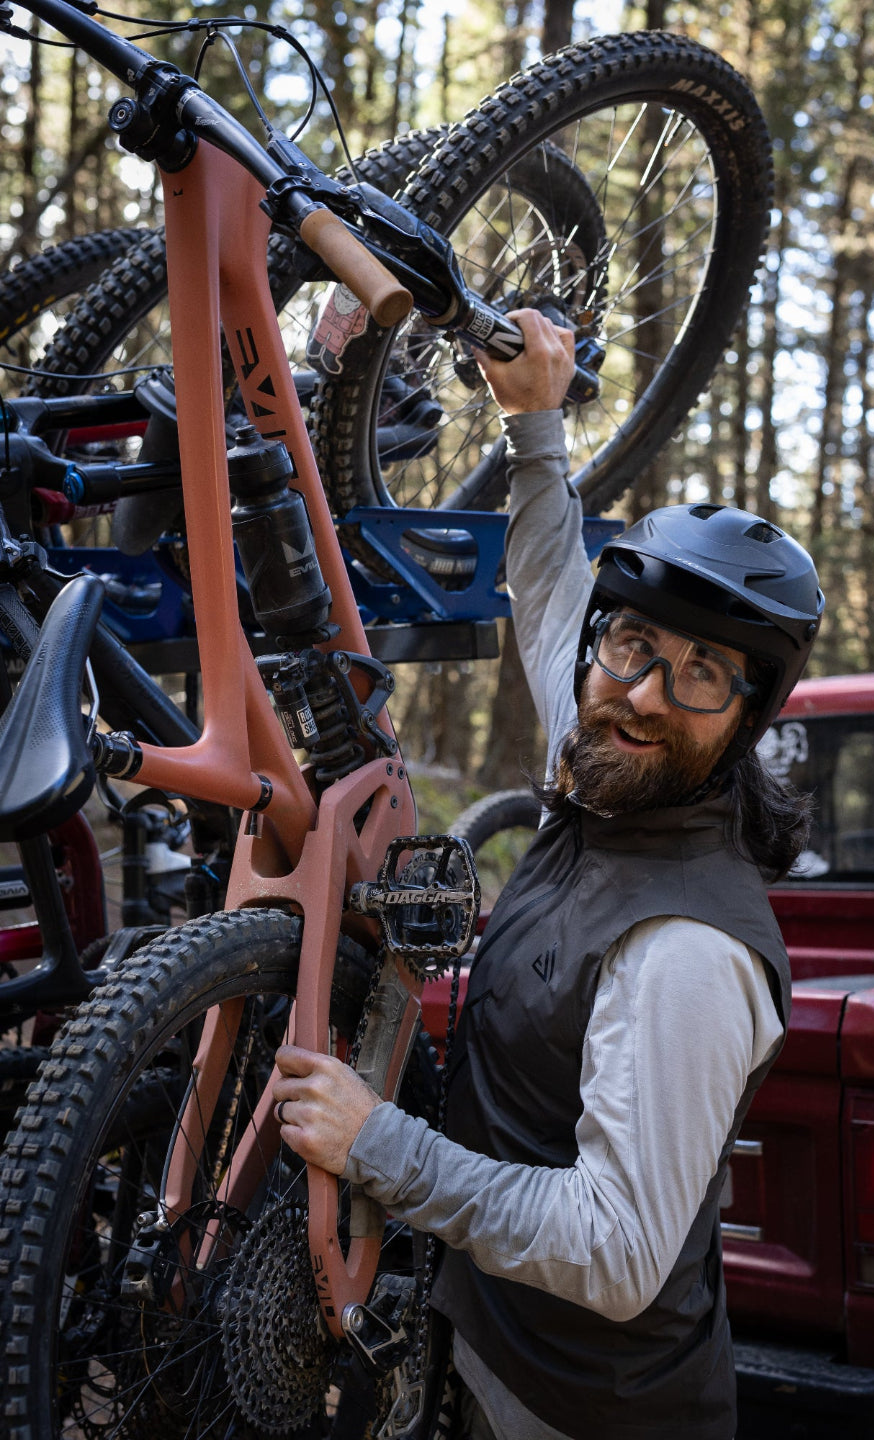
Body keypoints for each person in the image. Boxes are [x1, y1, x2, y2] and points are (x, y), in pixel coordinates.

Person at [274, 312, 824, 1440]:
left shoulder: (689, 954)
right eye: (634, 649)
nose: (649, 694)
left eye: (704, 675)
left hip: (588, 1413)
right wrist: (535, 421)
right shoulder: (602, 760)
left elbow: (617, 1252)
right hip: (488, 1354)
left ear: (746, 721)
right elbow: (548, 581)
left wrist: (381, 1146)